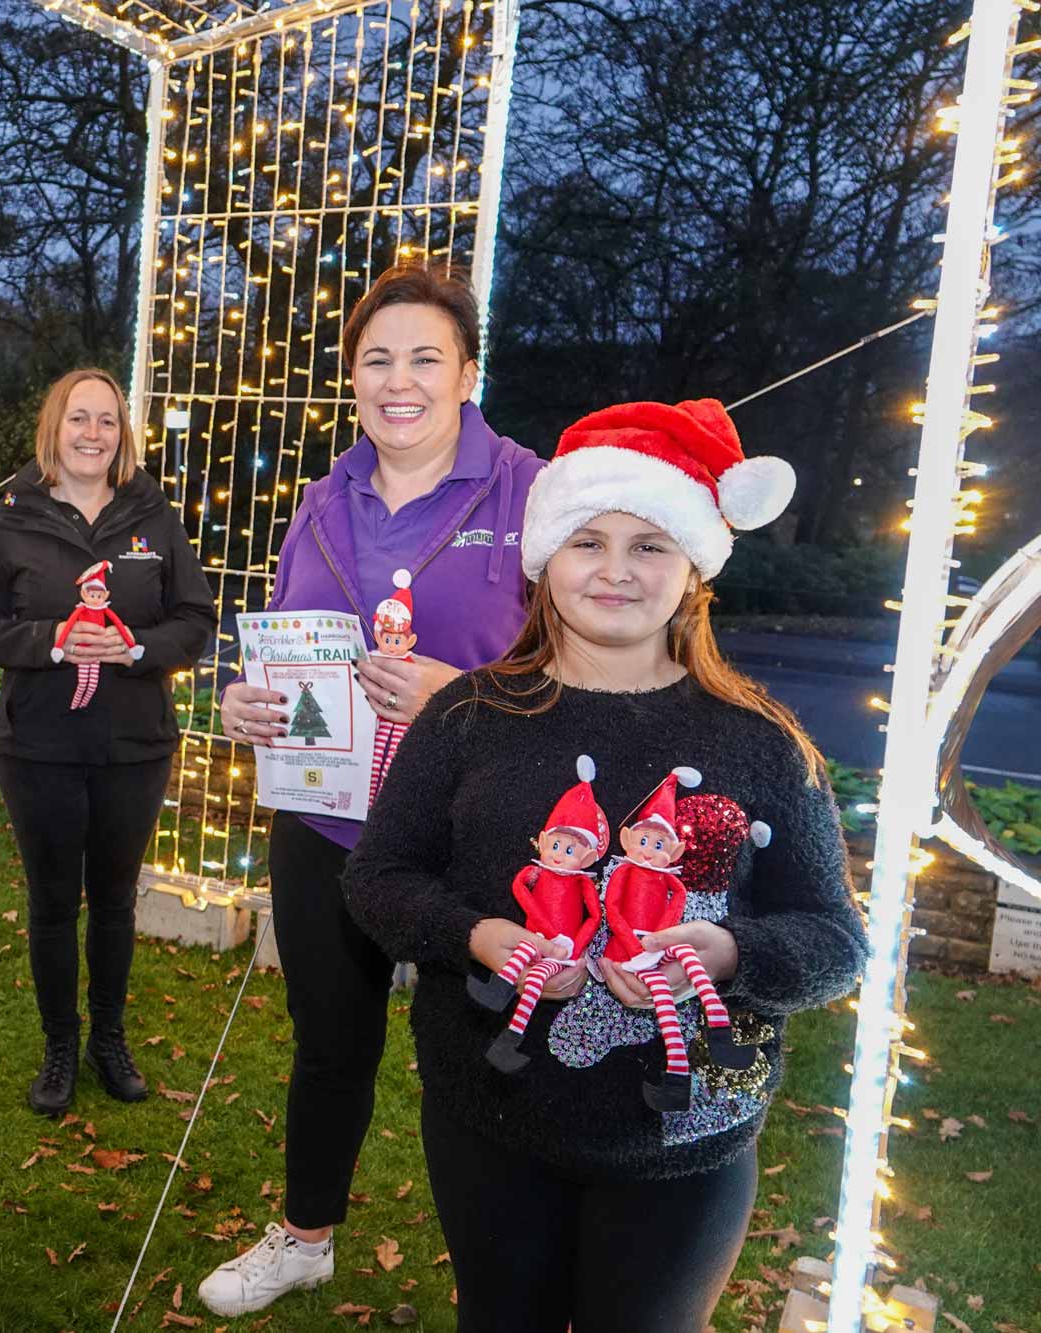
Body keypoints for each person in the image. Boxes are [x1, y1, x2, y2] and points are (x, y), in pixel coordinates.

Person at [342, 398, 870, 1332]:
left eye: (650, 544)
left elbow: (835, 938)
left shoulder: (762, 744)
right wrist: (477, 934)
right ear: (547, 563)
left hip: (687, 1146)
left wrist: (729, 953)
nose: (617, 570)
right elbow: (378, 877)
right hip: (492, 1119)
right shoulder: (469, 717)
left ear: (695, 569)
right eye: (588, 541)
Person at [201, 265, 542, 1316]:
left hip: (468, 833)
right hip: (324, 822)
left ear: (467, 374)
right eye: (377, 360)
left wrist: (467, 694)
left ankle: (514, 1276)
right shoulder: (321, 496)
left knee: (482, 1056)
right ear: (351, 379)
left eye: (424, 358)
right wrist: (239, 700)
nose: (399, 380)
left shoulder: (529, 490)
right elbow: (276, 633)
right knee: (329, 1041)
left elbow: (591, 659)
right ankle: (305, 1234)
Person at [0, 369, 215, 1116]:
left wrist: (134, 649)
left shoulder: (153, 514)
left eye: (107, 421)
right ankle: (59, 1045)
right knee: (50, 901)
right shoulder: (10, 517)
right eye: (80, 419)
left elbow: (194, 619)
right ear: (54, 429)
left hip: (134, 743)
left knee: (112, 901)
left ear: (122, 433)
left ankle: (108, 1038)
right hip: (38, 745)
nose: (93, 434)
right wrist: (57, 643)